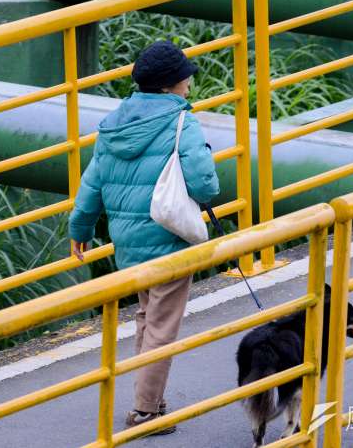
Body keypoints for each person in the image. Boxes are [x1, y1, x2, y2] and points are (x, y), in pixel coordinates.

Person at [68, 40, 220, 433]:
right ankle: (145, 411)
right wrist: (204, 193)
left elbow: (92, 184)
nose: (189, 84)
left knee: (146, 317)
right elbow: (204, 182)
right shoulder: (181, 121)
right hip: (168, 237)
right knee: (163, 326)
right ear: (170, 85)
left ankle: (148, 398)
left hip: (129, 241)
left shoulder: (113, 123)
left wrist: (79, 230)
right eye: (186, 78)